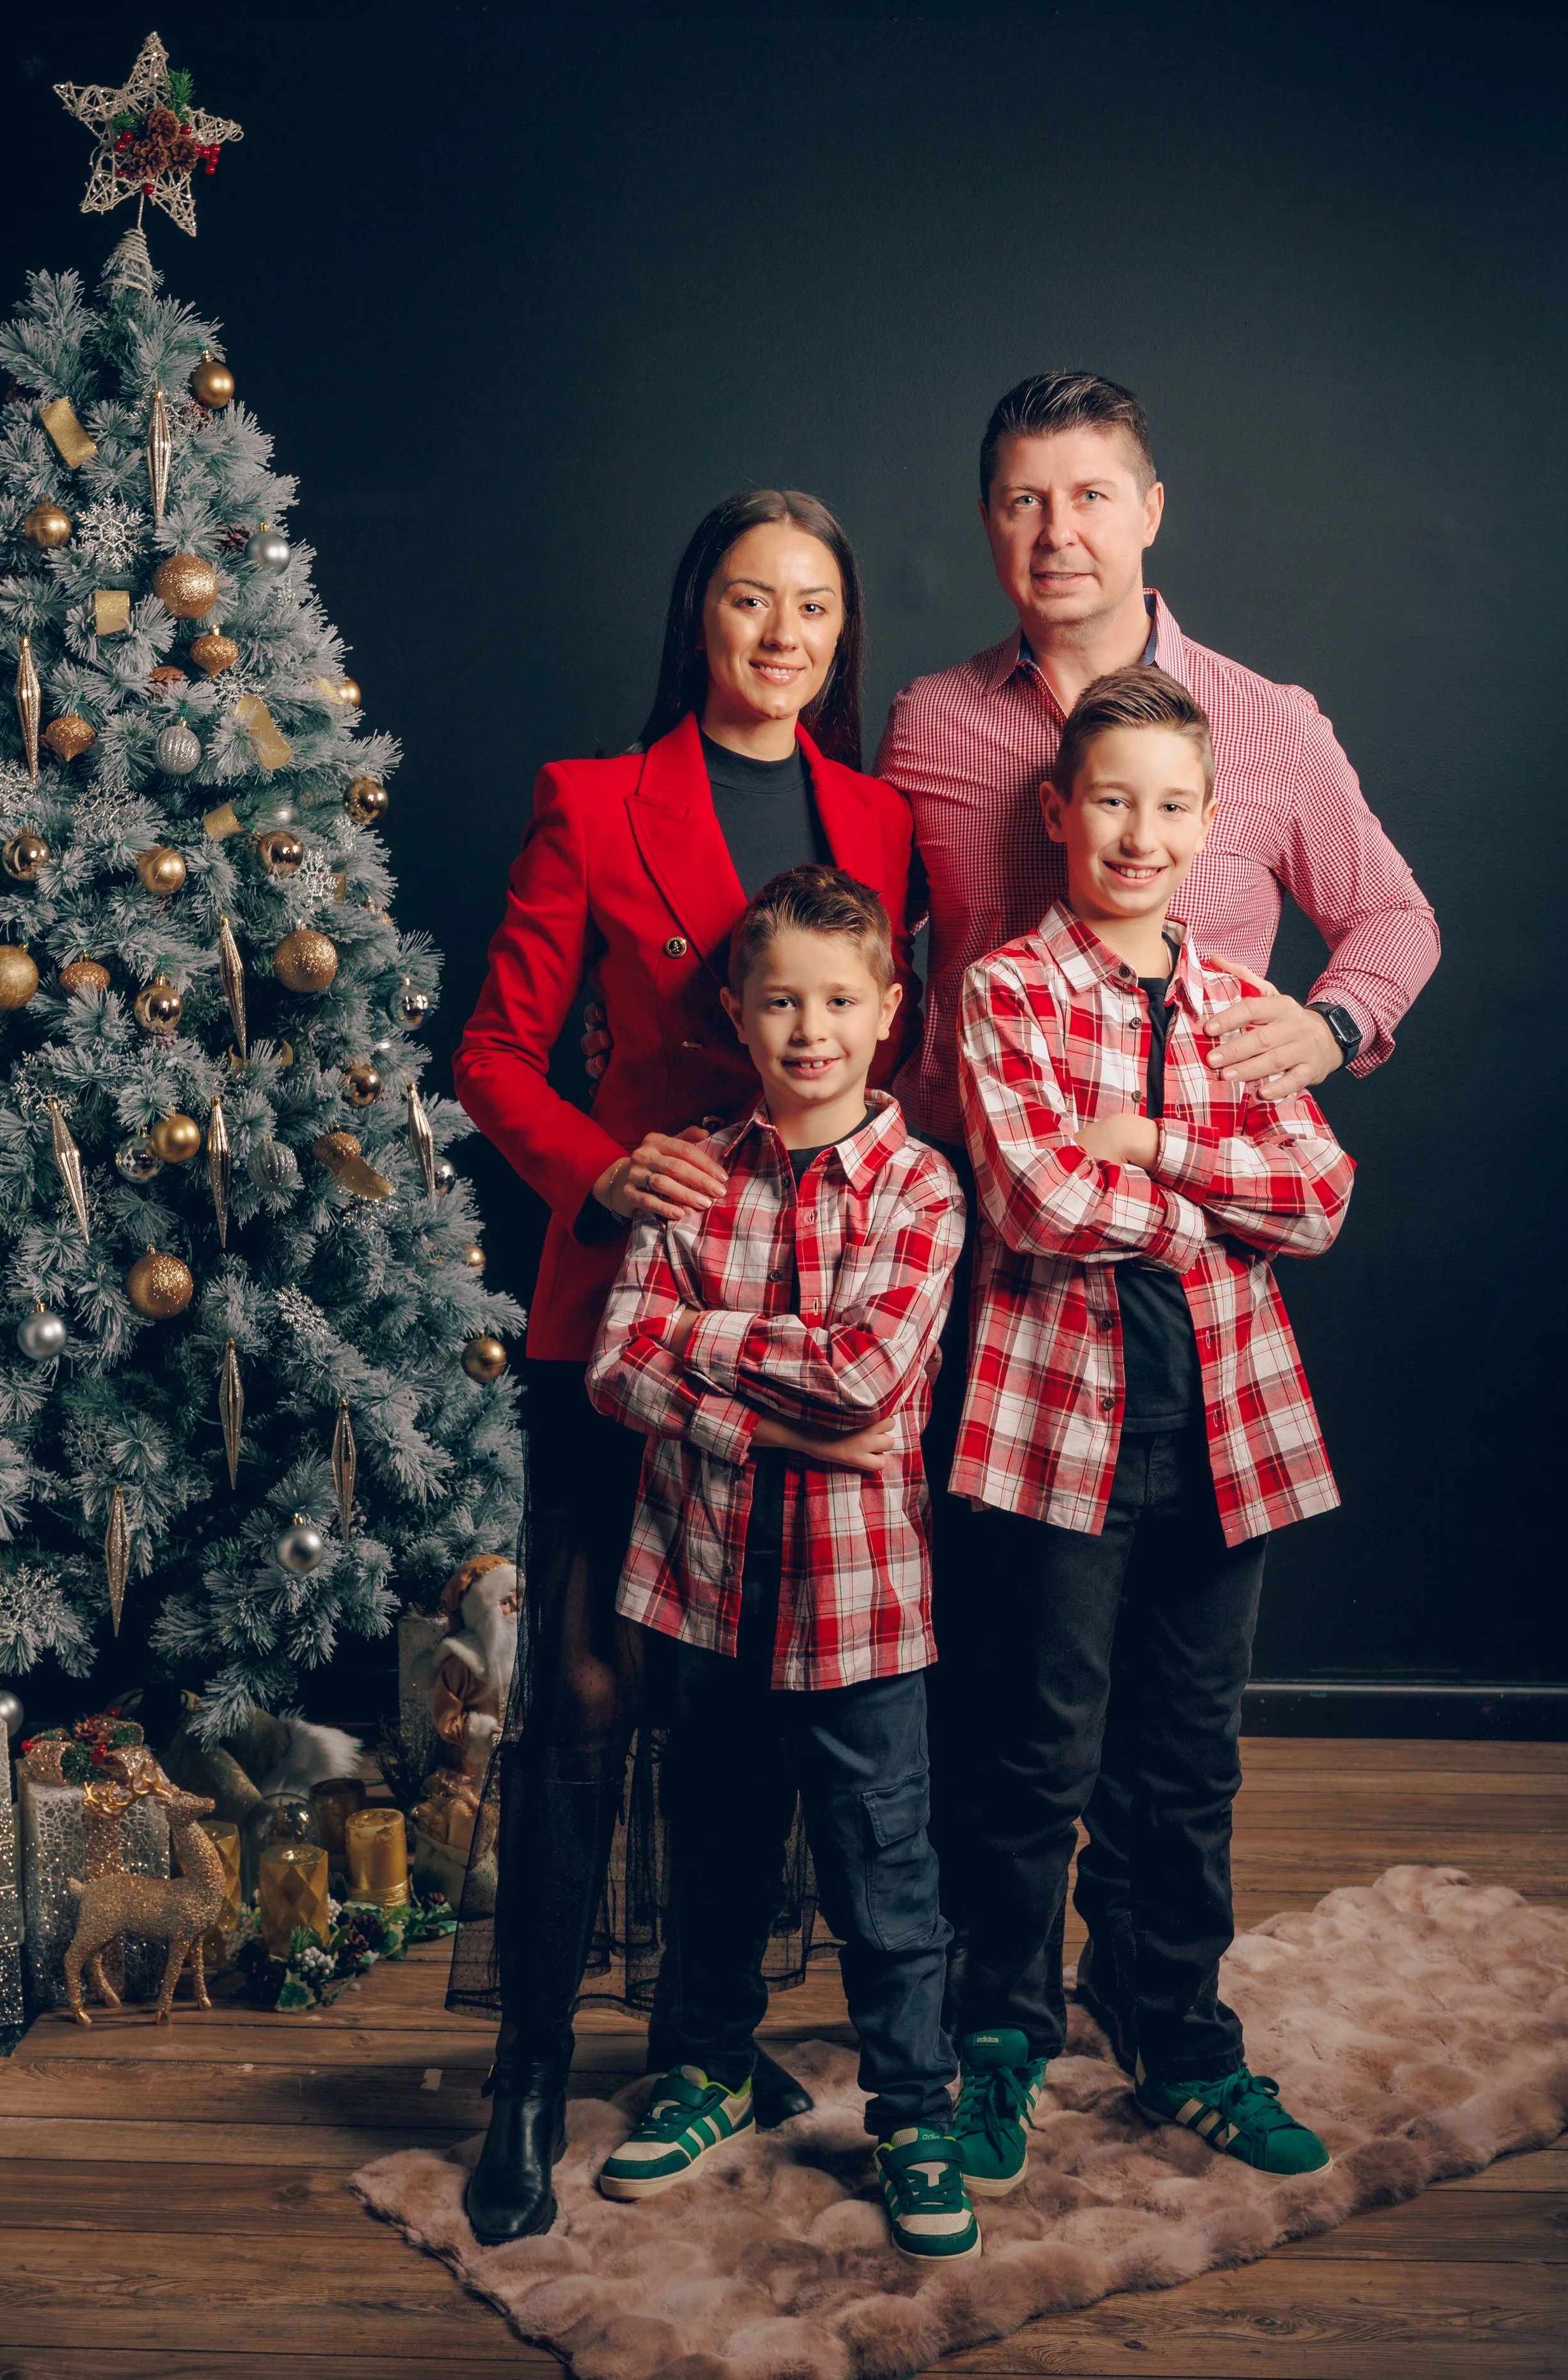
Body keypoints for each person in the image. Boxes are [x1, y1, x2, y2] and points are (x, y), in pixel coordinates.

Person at [874, 370, 1438, 2058]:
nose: (1058, 531)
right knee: (1020, 1693)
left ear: (1150, 508)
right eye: (1023, 500)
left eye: (1090, 494)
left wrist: (1324, 1031)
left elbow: (1389, 922)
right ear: (989, 523)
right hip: (995, 1263)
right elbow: (881, 969)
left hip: (1205, 1281)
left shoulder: (1267, 723)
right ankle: (995, 2016)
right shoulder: (924, 724)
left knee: (1180, 1710)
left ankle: (1153, 1987)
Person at [452, 491, 922, 2244]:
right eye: (748, 600)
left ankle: (704, 2035)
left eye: (812, 605)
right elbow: (496, 1049)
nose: (781, 632)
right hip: (622, 1301)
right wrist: (596, 1163)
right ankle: (522, 2075)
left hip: (806, 1307)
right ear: (700, 618)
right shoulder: (591, 798)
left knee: (765, 1681)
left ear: (839, 632)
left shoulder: (879, 816)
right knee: (580, 1693)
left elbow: (897, 1032)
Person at [947, 666, 1353, 2193]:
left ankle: (1174, 2027)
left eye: (1169, 806)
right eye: (1109, 799)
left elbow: (1318, 1199)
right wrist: (1200, 1210)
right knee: (1033, 1753)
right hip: (1057, 1426)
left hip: (1226, 1427)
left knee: (1184, 1761)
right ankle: (998, 2034)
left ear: (1206, 826)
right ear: (1058, 812)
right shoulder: (1007, 992)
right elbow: (1037, 1199)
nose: (1137, 833)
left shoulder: (1247, 1009)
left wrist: (1151, 1143)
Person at [585, 864, 974, 2263]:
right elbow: (617, 1368)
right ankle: (703, 2073)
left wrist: (703, 1351)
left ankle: (914, 2110)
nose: (807, 1030)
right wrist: (783, 1436)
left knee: (884, 1871)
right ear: (739, 1019)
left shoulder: (920, 1187)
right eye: (778, 1003)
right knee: (717, 1852)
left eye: (836, 1001)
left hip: (861, 1609)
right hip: (702, 1588)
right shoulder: (689, 1173)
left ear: (885, 1016)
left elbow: (871, 1376)